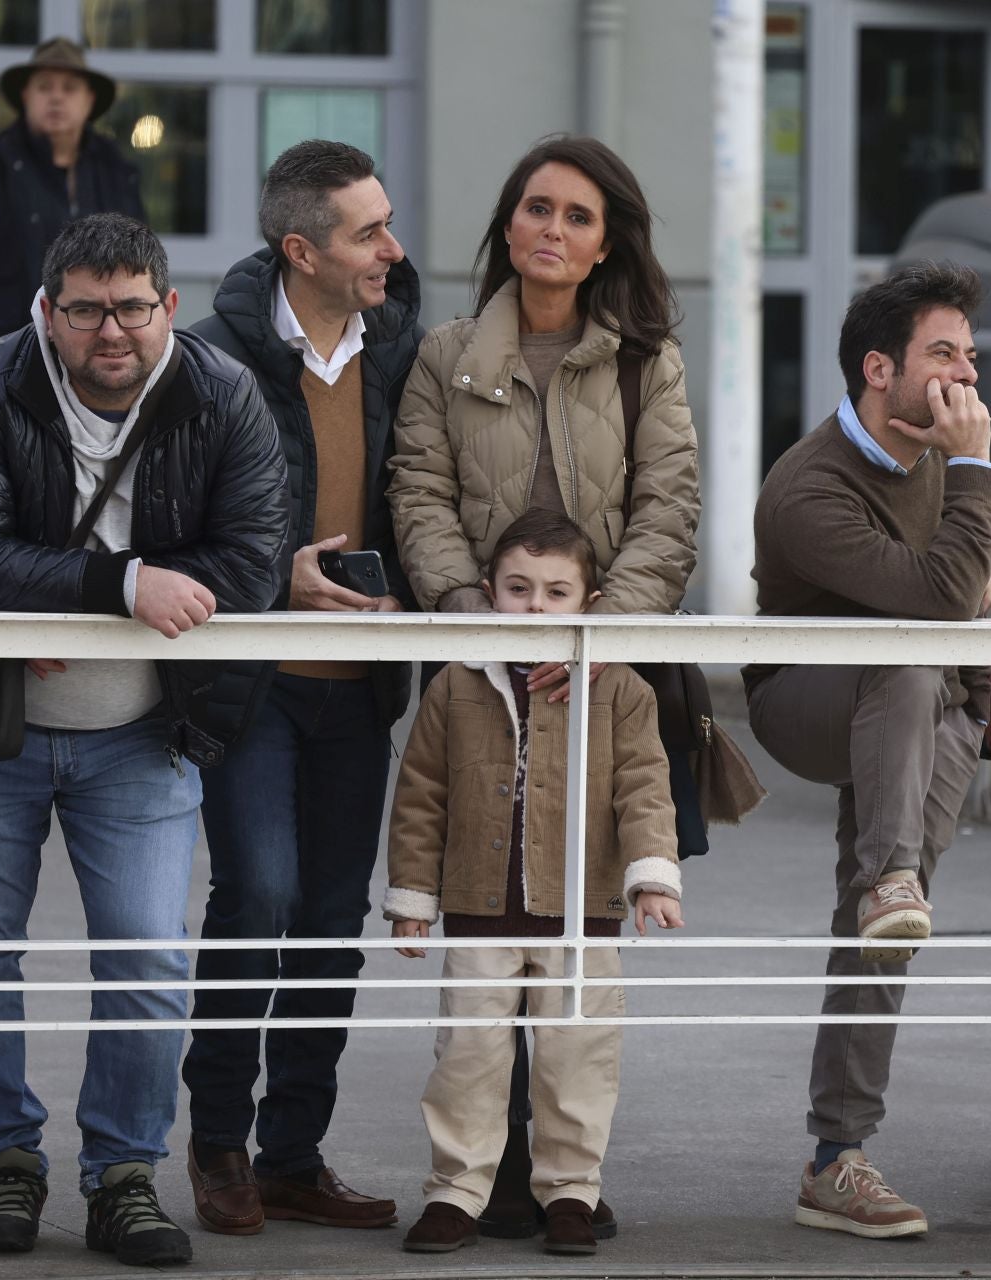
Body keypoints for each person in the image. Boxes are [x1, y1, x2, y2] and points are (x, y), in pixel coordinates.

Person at [0, 213, 288, 1267]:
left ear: (169, 307)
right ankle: (5, 1165)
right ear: (48, 312)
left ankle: (125, 1173)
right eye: (84, 309)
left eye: (131, 306)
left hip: (142, 731)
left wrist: (79, 599)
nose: (109, 330)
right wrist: (121, 583)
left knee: (146, 959)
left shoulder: (222, 394)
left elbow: (254, 561)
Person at [387, 133, 700, 1236]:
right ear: (507, 225)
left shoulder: (642, 360)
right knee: (485, 919)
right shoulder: (445, 353)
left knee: (577, 920)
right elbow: (417, 492)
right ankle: (479, 1175)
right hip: (479, 658)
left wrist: (604, 637)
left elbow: (670, 507)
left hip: (604, 670)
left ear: (607, 239)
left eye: (577, 215)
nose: (552, 230)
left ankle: (564, 1178)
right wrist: (471, 620)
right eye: (536, 209)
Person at [177, 140, 417, 1236]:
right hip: (255, 677)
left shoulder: (403, 346)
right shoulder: (211, 355)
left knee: (330, 919)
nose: (393, 248)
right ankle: (219, 1140)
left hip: (361, 685)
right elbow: (171, 514)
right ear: (301, 249)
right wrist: (274, 575)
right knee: (259, 898)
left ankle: (294, 1153)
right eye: (370, 232)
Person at [743, 262, 991, 1241]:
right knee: (903, 646)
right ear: (878, 368)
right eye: (944, 354)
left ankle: (835, 1156)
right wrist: (975, 474)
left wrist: (971, 714)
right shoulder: (809, 485)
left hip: (927, 706)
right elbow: (943, 598)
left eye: (970, 356)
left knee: (884, 929)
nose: (964, 378)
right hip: (802, 706)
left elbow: (976, 588)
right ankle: (891, 871)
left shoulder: (939, 454)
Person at [383, 509, 684, 1257]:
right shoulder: (455, 684)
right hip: (480, 911)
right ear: (490, 592)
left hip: (583, 912)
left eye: (556, 591)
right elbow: (421, 795)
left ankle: (571, 1192)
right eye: (518, 589)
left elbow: (645, 787)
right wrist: (412, 898)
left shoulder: (619, 690)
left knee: (577, 1056)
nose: (536, 607)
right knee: (469, 1056)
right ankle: (456, 1191)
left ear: (589, 598)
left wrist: (652, 877)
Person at [0, 37, 144, 376]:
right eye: (44, 86)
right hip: (7, 376)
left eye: (70, 87)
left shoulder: (116, 174)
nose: (57, 97)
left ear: (90, 100)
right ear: (26, 96)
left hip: (98, 375)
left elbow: (140, 273)